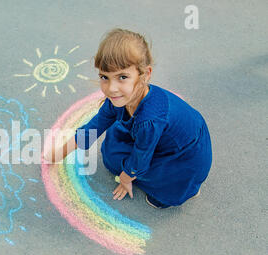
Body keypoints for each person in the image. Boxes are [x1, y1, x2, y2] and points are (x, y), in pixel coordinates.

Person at [44, 28, 212, 209]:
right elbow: (93, 128)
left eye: (122, 77)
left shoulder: (149, 121)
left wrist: (125, 178)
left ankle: (184, 190)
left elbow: (140, 159)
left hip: (185, 158)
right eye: (104, 77)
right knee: (110, 152)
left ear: (145, 74)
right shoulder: (122, 98)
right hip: (162, 140)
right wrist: (59, 153)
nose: (111, 88)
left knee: (126, 166)